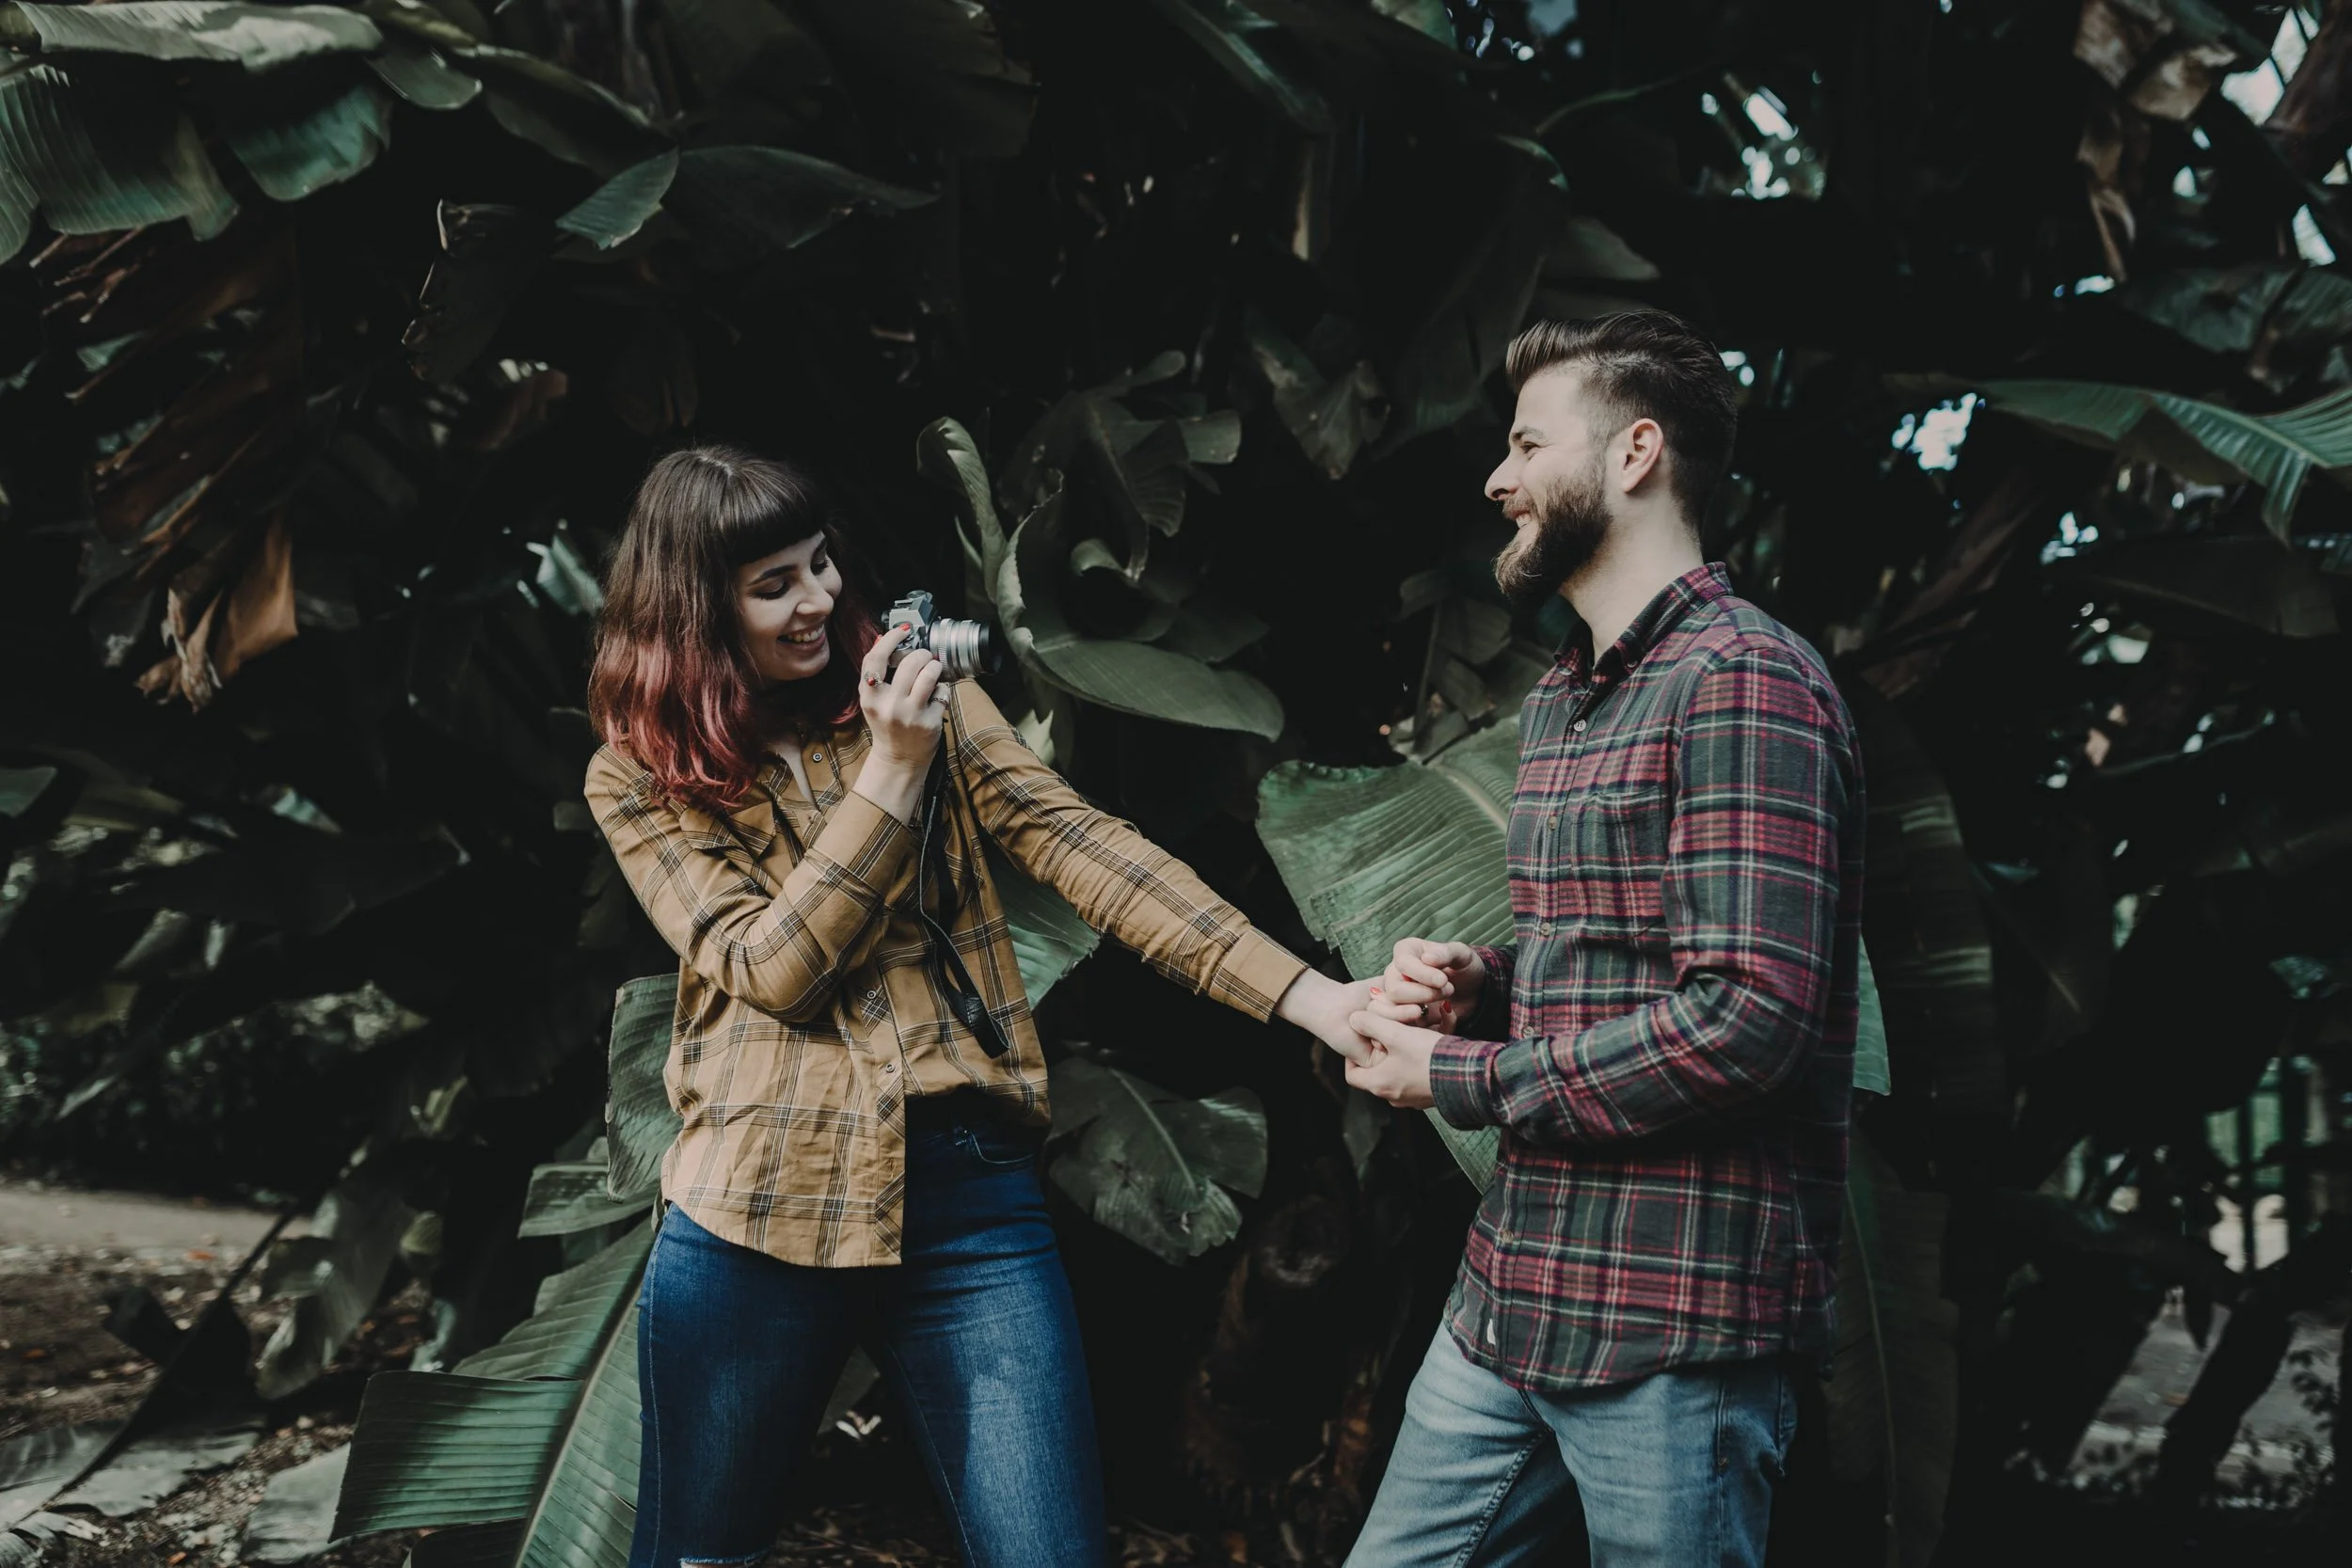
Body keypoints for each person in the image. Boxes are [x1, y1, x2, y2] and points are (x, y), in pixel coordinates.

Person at [582, 444, 1372, 1568]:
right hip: (759, 1202)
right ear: (693, 607)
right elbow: (771, 967)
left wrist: (1312, 999)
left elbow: (1082, 844)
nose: (817, 599)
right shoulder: (636, 770)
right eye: (773, 585)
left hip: (965, 1192)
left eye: (819, 564)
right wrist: (891, 773)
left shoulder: (919, 693)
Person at [1341, 311, 1867, 1568]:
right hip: (1516, 1289)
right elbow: (1610, 962)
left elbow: (1747, 1018)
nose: (1498, 478)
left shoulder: (1744, 678)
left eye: (1527, 443)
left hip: (1671, 1324)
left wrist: (1457, 1076)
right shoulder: (1566, 697)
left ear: (1635, 453)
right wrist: (1484, 987)